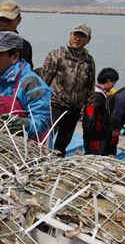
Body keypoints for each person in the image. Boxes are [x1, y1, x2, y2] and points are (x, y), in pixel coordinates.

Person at [39, 23, 96, 156]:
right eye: (75, 35)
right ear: (70, 35)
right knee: (44, 141)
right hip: (54, 106)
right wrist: (38, 105)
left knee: (62, 146)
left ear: (88, 40)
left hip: (74, 111)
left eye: (82, 36)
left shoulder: (89, 61)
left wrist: (90, 112)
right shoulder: (56, 55)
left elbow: (90, 88)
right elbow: (43, 82)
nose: (77, 38)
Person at [0, 31, 51, 141]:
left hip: (34, 145)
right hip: (8, 141)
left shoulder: (32, 83)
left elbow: (43, 121)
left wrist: (26, 124)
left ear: (14, 57)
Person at [83, 68, 118, 155]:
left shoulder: (99, 94)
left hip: (99, 136)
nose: (113, 85)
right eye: (113, 83)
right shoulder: (97, 97)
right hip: (96, 138)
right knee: (93, 157)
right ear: (108, 81)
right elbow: (91, 117)